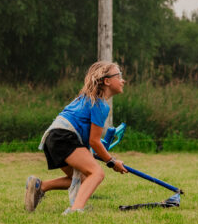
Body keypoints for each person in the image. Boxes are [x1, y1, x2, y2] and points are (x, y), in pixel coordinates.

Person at [25, 61, 128, 214]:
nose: (123, 80)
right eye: (118, 76)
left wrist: (98, 154)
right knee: (97, 173)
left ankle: (41, 186)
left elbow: (91, 140)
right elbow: (94, 141)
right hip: (64, 137)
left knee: (85, 178)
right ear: (107, 81)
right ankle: (75, 210)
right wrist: (112, 162)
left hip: (51, 137)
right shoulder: (101, 105)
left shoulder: (85, 98)